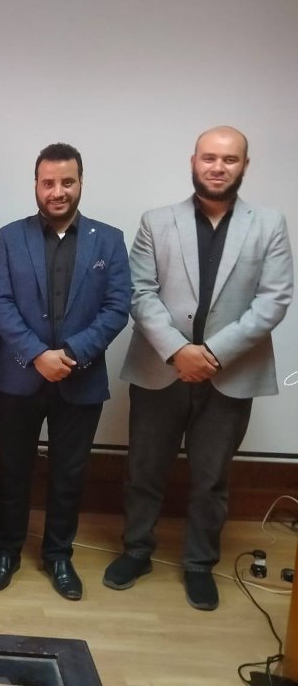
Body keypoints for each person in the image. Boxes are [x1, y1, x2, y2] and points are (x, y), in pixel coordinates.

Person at [107, 126, 294, 610]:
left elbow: (274, 300)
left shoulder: (269, 224)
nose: (218, 167)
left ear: (245, 166)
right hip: (160, 368)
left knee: (212, 479)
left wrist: (211, 354)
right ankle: (137, 551)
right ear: (193, 161)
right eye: (209, 157)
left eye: (229, 159)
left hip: (230, 373)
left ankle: (198, 564)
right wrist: (178, 351)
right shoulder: (156, 222)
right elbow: (140, 292)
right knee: (143, 470)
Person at [0, 143, 131, 600]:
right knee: (13, 470)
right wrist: (37, 355)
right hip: (20, 378)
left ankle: (59, 555)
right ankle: (5, 551)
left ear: (81, 182)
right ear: (36, 185)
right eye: (48, 183)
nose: (57, 191)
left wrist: (69, 354)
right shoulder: (10, 237)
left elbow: (117, 307)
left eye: (67, 182)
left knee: (70, 474)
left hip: (80, 379)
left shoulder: (109, 239)